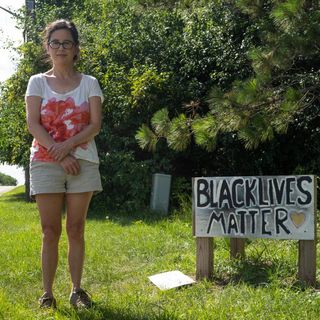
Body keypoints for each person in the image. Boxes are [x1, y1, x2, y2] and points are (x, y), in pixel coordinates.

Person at [25, 19, 103, 309]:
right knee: (49, 230)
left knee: (76, 228)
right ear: (47, 47)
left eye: (66, 43)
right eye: (55, 42)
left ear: (75, 49)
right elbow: (33, 124)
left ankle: (77, 290)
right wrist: (62, 154)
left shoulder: (90, 83)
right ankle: (47, 294)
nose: (60, 48)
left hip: (83, 163)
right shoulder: (37, 82)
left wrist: (69, 148)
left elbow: (95, 125)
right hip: (45, 163)